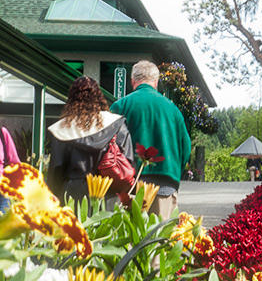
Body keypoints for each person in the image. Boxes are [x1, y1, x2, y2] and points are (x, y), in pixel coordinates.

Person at [108, 60, 191, 220]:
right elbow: (185, 149)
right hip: (165, 186)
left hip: (130, 187)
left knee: (130, 242)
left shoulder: (120, 106)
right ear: (156, 82)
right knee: (160, 240)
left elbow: (109, 146)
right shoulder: (173, 109)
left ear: (132, 81)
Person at [46, 76, 135, 203]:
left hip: (73, 196)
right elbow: (129, 161)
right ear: (99, 97)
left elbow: (56, 172)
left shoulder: (62, 129)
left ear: (72, 99)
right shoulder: (116, 124)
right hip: (107, 194)